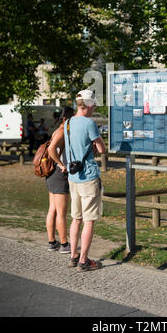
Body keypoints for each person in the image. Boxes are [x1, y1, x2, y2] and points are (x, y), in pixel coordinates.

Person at [64, 89, 106, 271]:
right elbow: (101, 148)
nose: (94, 108)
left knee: (76, 218)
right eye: (94, 106)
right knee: (89, 220)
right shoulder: (89, 123)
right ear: (88, 105)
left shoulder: (68, 123)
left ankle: (73, 255)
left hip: (73, 177)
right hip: (88, 176)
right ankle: (84, 260)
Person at [46, 106, 74, 253]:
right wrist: (61, 164)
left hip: (51, 174)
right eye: (72, 118)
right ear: (65, 119)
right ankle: (64, 244)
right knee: (61, 212)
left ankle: (52, 241)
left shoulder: (58, 130)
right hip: (59, 173)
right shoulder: (62, 131)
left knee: (53, 209)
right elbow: (51, 150)